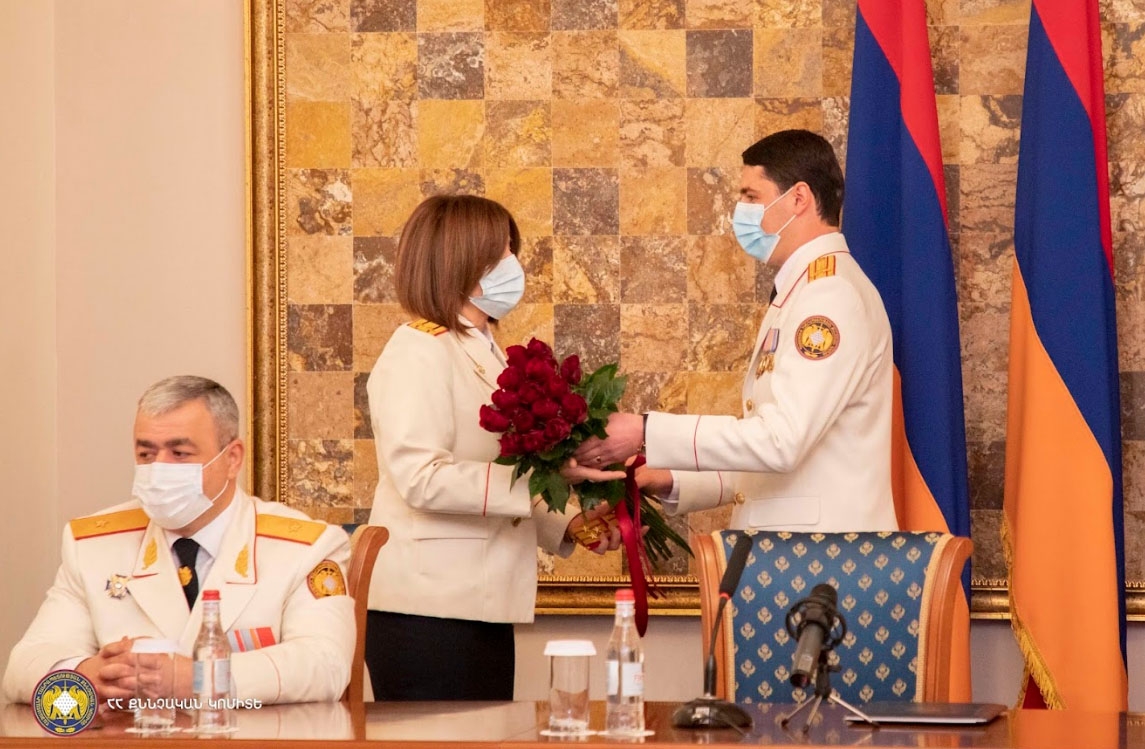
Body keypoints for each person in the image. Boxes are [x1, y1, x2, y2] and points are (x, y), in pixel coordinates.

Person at [364, 194, 622, 701]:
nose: (514, 264)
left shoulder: (483, 351)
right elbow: (422, 478)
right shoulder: (419, 349)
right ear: (461, 261)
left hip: (479, 602)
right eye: (502, 252)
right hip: (428, 607)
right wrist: (551, 479)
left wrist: (568, 521)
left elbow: (500, 474)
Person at [575, 130, 898, 532]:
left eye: (750, 196)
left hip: (823, 556)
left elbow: (781, 441)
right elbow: (777, 459)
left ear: (799, 198)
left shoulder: (829, 294)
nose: (739, 210)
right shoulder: (804, 289)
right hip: (795, 551)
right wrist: (672, 479)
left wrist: (646, 430)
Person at [2, 376, 355, 705]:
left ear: (232, 459)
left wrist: (202, 679)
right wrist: (87, 673)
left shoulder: (306, 548)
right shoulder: (93, 545)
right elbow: (24, 665)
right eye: (146, 454)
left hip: (250, 737)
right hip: (132, 737)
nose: (159, 468)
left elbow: (325, 664)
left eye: (180, 454)